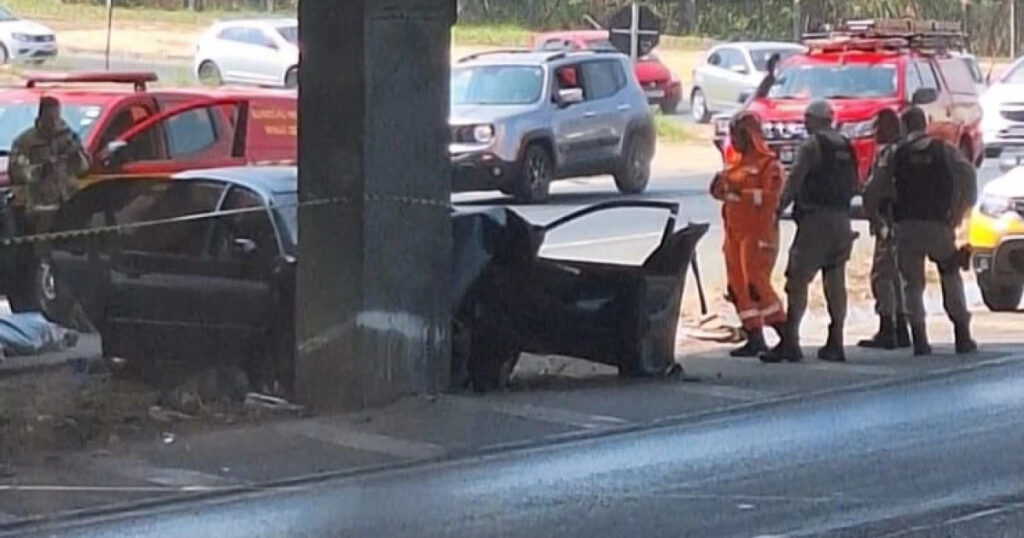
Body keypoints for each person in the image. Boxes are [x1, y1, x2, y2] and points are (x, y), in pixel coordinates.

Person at [863, 106, 977, 356]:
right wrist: (959, 211)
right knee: (950, 275)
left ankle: (920, 339)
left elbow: (873, 188)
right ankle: (962, 334)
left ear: (904, 127)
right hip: (939, 225)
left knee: (912, 284)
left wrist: (876, 217)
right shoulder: (944, 150)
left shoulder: (895, 153)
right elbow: (968, 175)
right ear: (925, 124)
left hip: (906, 227)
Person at [760, 100, 858, 363]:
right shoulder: (846, 146)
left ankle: (790, 341)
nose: (804, 123)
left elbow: (794, 180)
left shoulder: (812, 146)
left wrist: (778, 209)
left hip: (816, 222)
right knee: (835, 282)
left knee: (797, 280)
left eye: (807, 119)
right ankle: (835, 340)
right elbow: (855, 184)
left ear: (815, 120)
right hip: (841, 221)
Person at [710, 112, 786, 356]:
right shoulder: (736, 165)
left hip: (758, 235)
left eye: (737, 134)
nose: (734, 140)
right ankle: (754, 336)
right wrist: (719, 189)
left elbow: (772, 198)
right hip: (735, 234)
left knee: (757, 284)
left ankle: (787, 337)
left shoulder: (769, 166)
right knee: (738, 286)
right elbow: (724, 190)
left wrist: (740, 196)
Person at [858, 109, 911, 350]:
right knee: (898, 275)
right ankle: (902, 327)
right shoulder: (908, 151)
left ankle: (888, 328)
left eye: (878, 126)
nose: (874, 132)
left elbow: (873, 188)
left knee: (882, 276)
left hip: (889, 220)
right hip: (908, 220)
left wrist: (874, 216)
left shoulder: (889, 154)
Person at [8, 96, 90, 235]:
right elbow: (17, 173)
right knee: (42, 239)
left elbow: (83, 168)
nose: (54, 124)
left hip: (68, 199)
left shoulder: (67, 137)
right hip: (40, 204)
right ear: (41, 117)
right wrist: (42, 170)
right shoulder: (26, 142)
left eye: (56, 118)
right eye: (49, 119)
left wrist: (75, 155)